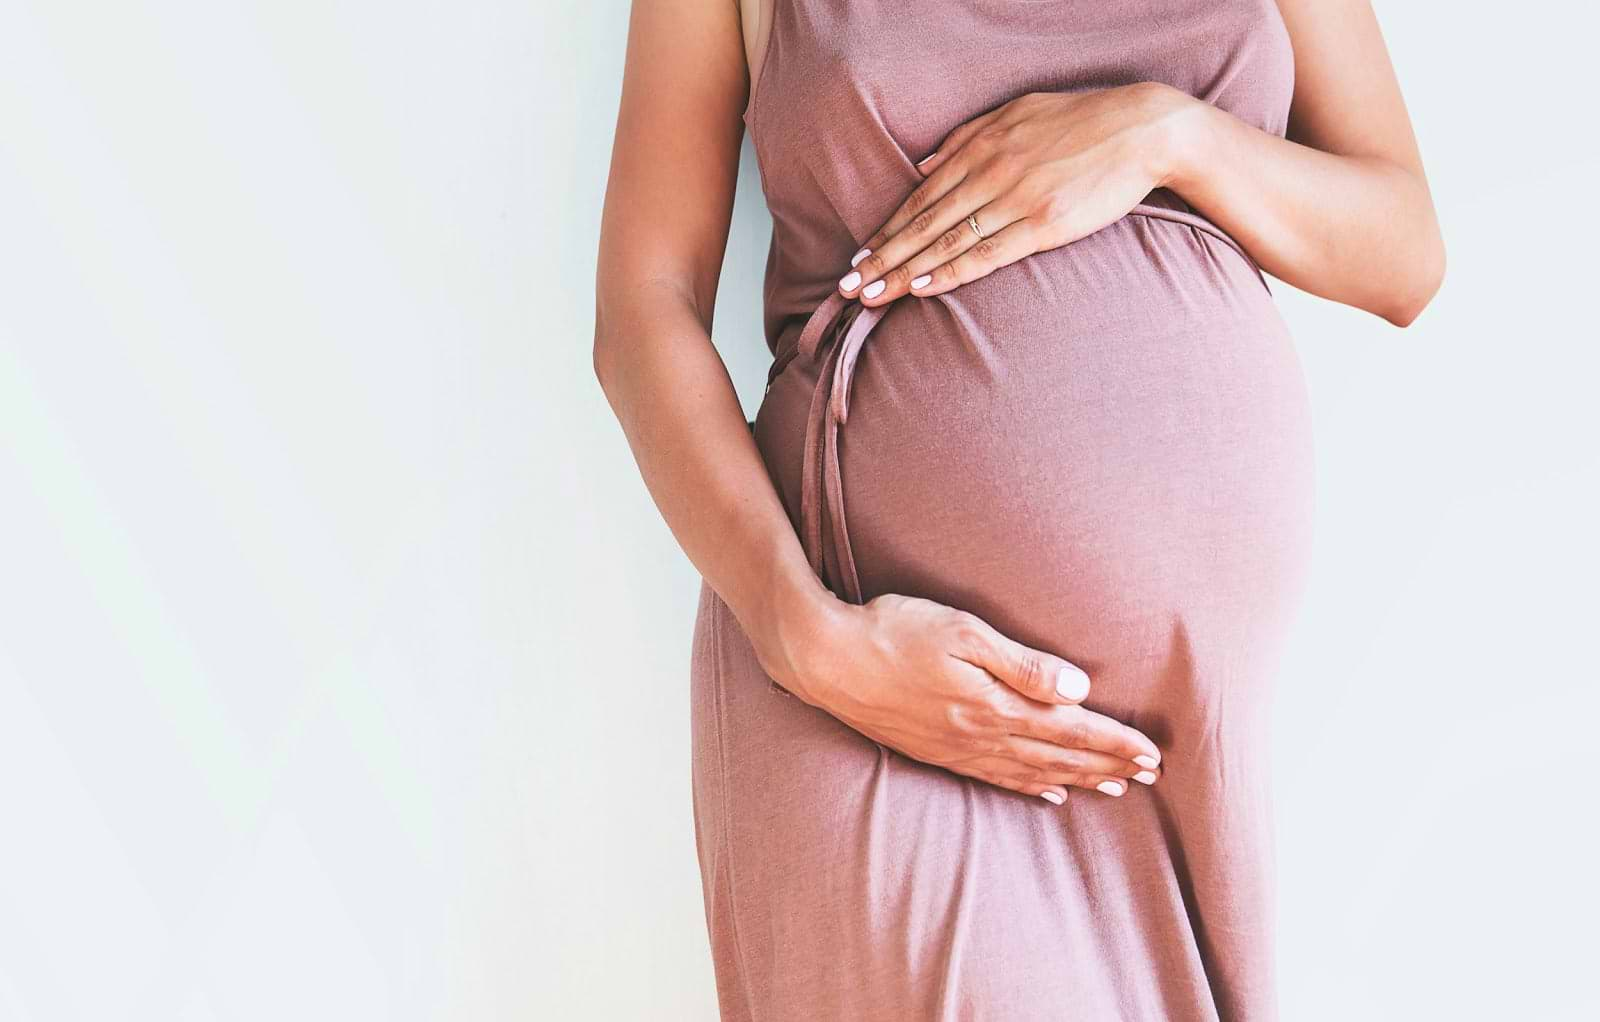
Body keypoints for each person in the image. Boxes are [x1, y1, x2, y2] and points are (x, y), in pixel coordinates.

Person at [593, 0, 1442, 1017]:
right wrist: (801, 632)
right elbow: (642, 307)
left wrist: (1164, 134)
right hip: (876, 678)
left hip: (1183, 739)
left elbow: (1403, 251)